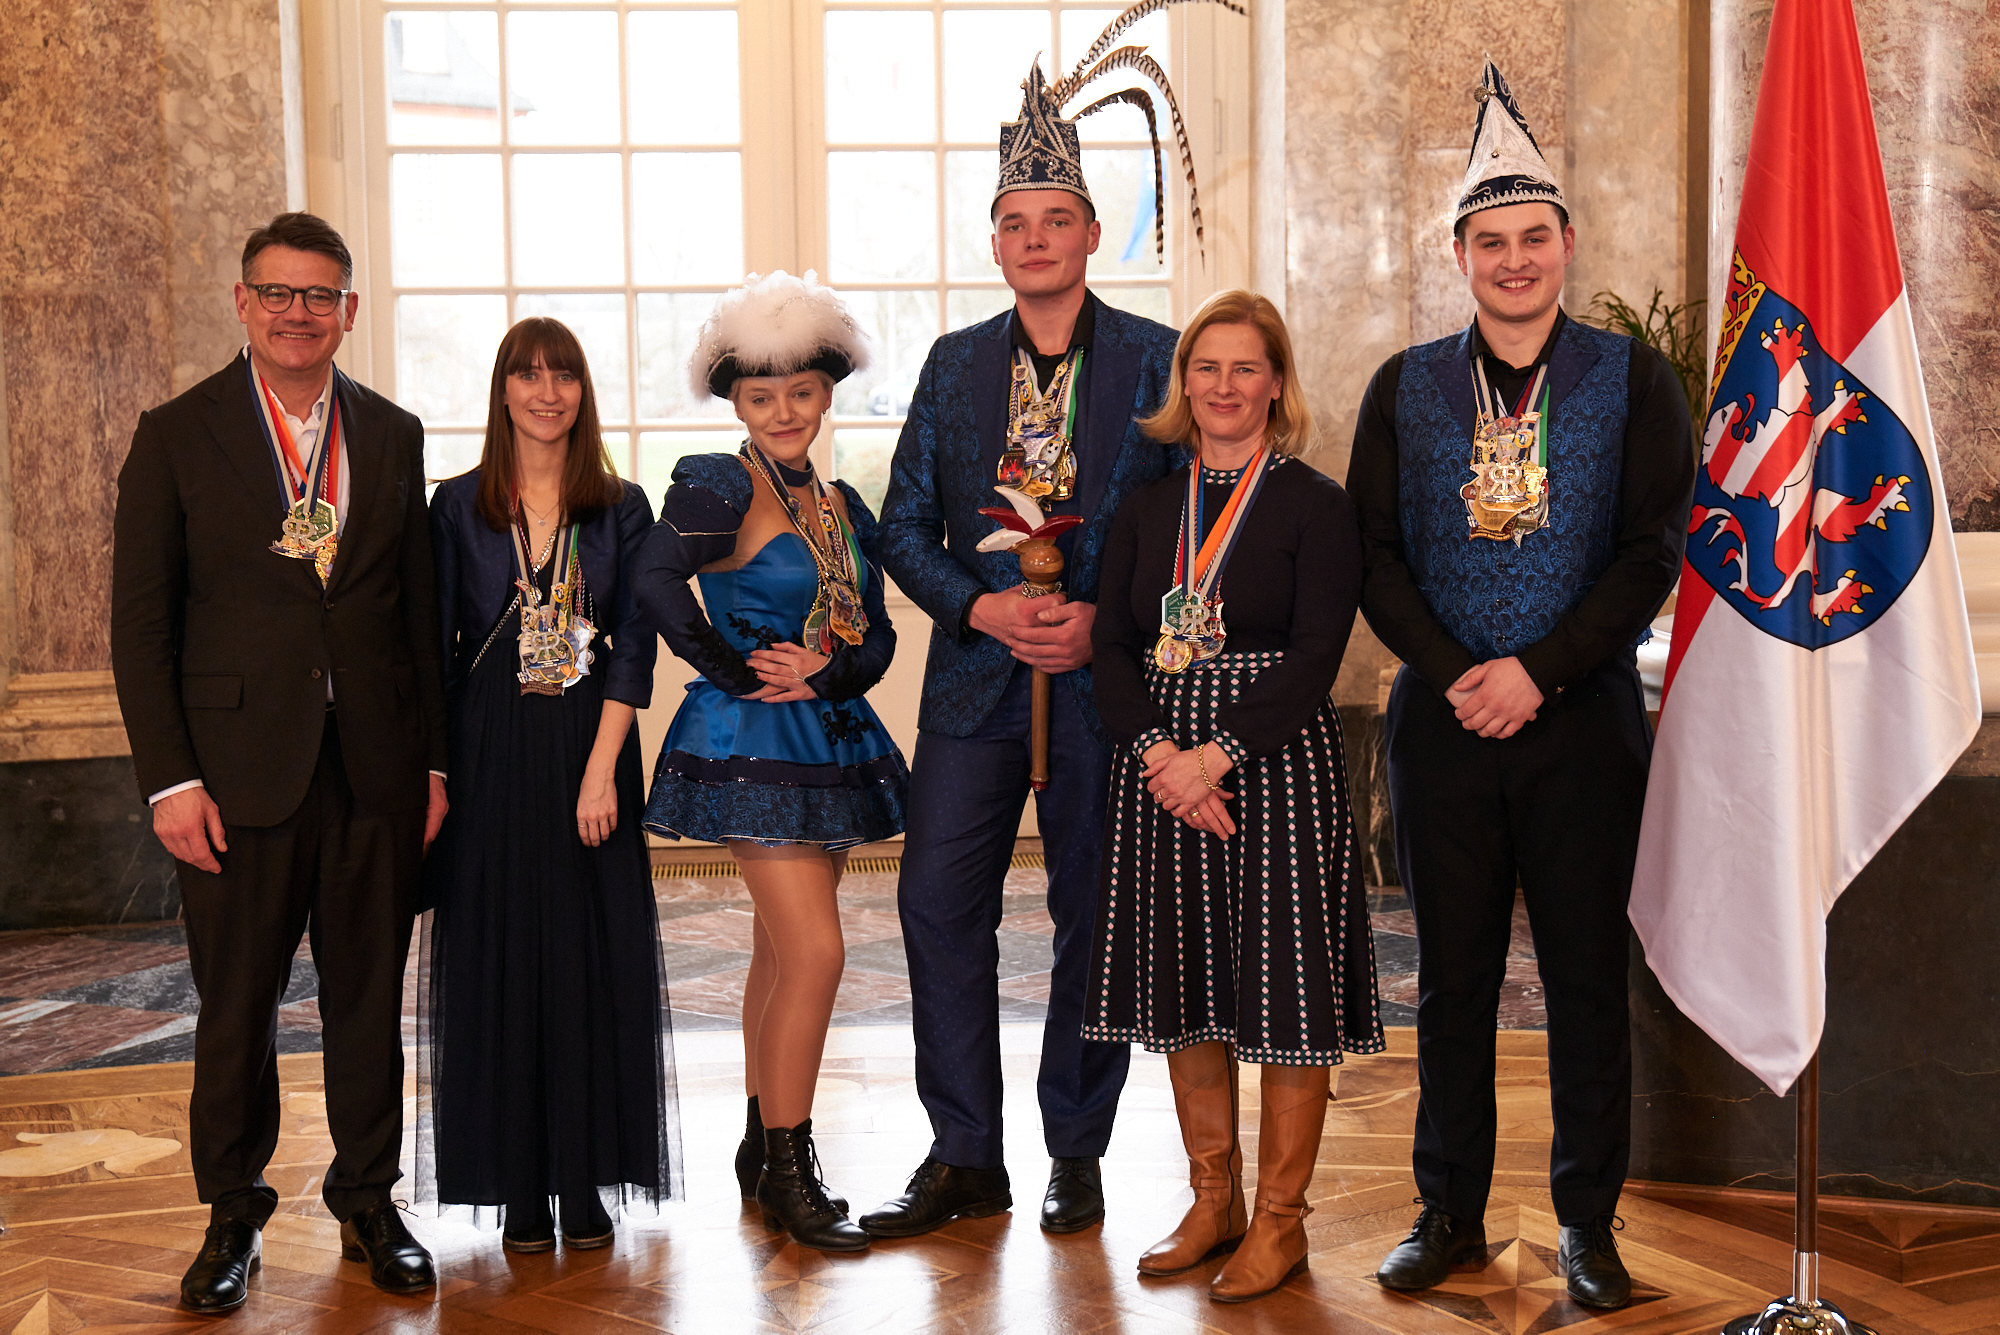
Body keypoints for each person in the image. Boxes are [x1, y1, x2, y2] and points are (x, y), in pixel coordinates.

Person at [1346, 61, 1694, 1310]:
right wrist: (1462, 676)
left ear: (1564, 244)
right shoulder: (1403, 387)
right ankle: (1447, 1212)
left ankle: (1587, 1226)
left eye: (1531, 237)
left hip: (1581, 723)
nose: (1511, 260)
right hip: (1441, 724)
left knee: (1585, 979)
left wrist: (1536, 672)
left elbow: (1650, 552)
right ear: (1458, 256)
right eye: (1488, 242)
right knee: (1448, 981)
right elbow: (1372, 555)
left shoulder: (1632, 380)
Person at [863, 30, 1212, 1239]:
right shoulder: (953, 366)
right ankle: (964, 1151)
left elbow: (1187, 531)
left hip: (1103, 695)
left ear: (1091, 233)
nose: (1034, 239)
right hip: (971, 686)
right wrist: (979, 606)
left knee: (1094, 920)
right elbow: (901, 526)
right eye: (1013, 222)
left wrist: (1103, 627)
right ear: (995, 241)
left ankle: (1077, 1146)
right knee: (933, 905)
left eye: (1054, 219)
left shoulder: (1157, 362)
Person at [110, 212, 447, 1311]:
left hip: (375, 773)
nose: (297, 313)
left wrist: (433, 767)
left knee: (368, 1001)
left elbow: (417, 615)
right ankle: (230, 1213)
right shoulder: (177, 433)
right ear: (243, 303)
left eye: (319, 296)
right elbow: (141, 627)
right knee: (236, 1006)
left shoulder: (391, 433)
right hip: (231, 777)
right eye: (277, 293)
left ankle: (368, 1200)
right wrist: (170, 780)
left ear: (348, 310)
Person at [1083, 289, 1384, 1301]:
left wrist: (1212, 757)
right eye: (1205, 367)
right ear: (1184, 383)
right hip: (1161, 772)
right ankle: (1212, 1201)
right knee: (1188, 987)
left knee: (1285, 989)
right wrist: (1161, 757)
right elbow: (1112, 648)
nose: (1223, 385)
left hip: (1274, 767)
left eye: (1244, 367)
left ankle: (1281, 1222)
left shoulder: (1315, 504)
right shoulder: (1145, 508)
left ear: (1275, 383)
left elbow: (1315, 656)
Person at [633, 271, 904, 1254]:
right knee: (819, 953)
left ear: (826, 393)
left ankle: (760, 1144)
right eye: (761, 396)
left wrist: (829, 674)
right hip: (749, 744)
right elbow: (652, 577)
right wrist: (729, 669)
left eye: (800, 392)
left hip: (828, 736)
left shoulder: (841, 501)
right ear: (737, 404)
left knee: (779, 952)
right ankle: (792, 1165)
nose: (783, 411)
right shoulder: (721, 483)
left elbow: (876, 635)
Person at [422, 317, 678, 1252]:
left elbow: (635, 650)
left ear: (582, 391)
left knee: (587, 956)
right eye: (527, 375)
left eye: (562, 374)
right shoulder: (456, 505)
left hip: (589, 747)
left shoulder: (621, 507)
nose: (546, 392)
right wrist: (435, 775)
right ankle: (518, 1178)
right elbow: (432, 653)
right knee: (498, 956)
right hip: (487, 751)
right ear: (502, 390)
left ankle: (583, 1173)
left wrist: (601, 770)